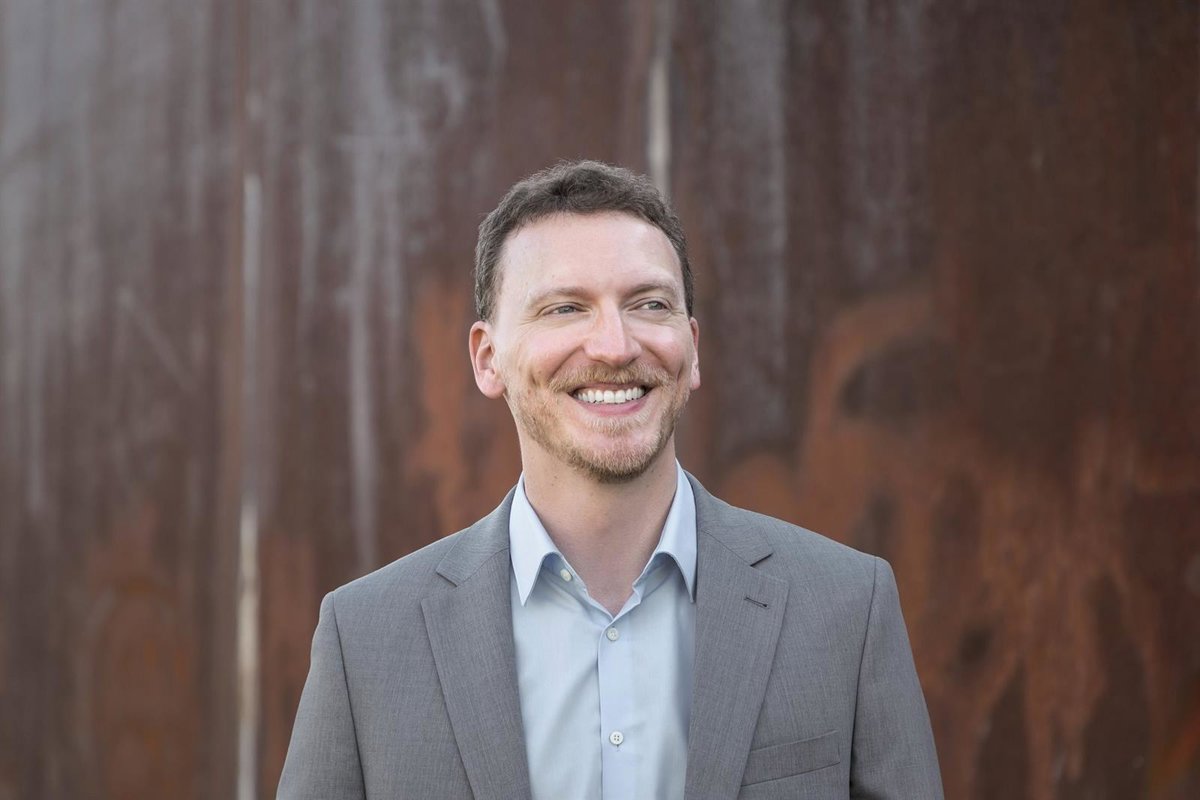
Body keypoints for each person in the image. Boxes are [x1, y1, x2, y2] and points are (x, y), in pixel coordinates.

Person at [277, 160, 943, 800]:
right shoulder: (364, 642)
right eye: (565, 309)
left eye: (649, 304)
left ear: (692, 346)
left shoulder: (847, 610)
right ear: (487, 359)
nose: (615, 346)